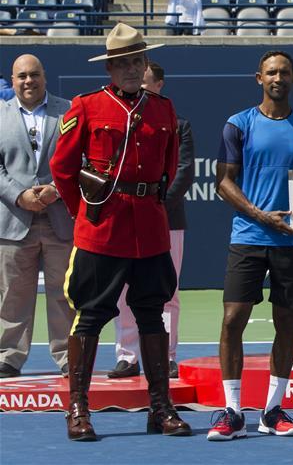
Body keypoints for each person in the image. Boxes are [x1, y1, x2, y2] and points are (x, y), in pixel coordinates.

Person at [49, 23, 191, 441]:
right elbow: (62, 168)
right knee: (90, 315)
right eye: (123, 63)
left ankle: (160, 407)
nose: (131, 69)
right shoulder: (87, 106)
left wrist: (153, 206)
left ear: (145, 64)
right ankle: (78, 408)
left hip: (148, 229)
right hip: (102, 228)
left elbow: (168, 166)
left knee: (152, 313)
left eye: (137, 61)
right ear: (110, 68)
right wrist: (84, 213)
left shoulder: (162, 109)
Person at [207, 51, 293, 441]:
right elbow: (224, 182)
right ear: (259, 77)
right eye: (271, 72)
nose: (278, 78)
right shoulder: (238, 124)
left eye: (285, 72)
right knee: (232, 320)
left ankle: (273, 410)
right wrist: (260, 215)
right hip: (249, 238)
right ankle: (232, 410)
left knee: (287, 322)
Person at [108, 62, 195, 380]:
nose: (140, 89)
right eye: (137, 83)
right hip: (125, 218)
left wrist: (155, 204)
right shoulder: (121, 120)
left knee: (167, 291)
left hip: (166, 220)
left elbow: (183, 171)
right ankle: (127, 356)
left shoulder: (179, 124)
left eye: (147, 83)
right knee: (124, 290)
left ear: (160, 84)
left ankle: (166, 356)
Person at [0, 54, 74, 380]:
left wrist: (56, 189)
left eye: (34, 75)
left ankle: (71, 356)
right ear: (12, 81)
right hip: (14, 218)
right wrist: (18, 194)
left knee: (64, 293)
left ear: (44, 77)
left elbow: (80, 158)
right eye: (22, 77)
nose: (28, 81)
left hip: (59, 216)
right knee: (12, 293)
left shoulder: (68, 110)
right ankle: (8, 356)